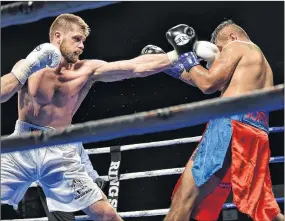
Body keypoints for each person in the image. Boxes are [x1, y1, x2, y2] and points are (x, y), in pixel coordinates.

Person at [0, 13, 179, 221]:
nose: (82, 46)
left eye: (83, 41)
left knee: (106, 215)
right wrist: (28, 67)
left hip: (59, 152)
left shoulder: (86, 70)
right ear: (58, 37)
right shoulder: (29, 65)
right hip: (21, 146)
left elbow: (134, 67)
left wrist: (176, 56)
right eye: (77, 39)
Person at [144, 20, 284, 221]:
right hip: (257, 132)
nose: (219, 55)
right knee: (266, 210)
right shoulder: (260, 64)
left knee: (184, 201)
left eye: (219, 49)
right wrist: (170, 67)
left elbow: (207, 83)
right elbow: (202, 79)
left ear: (232, 36)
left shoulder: (236, 46)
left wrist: (185, 51)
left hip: (229, 126)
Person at [34, 143, 106, 221]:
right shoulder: (42, 135)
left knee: (104, 213)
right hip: (54, 188)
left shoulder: (74, 136)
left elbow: (83, 159)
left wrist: (94, 177)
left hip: (78, 181)